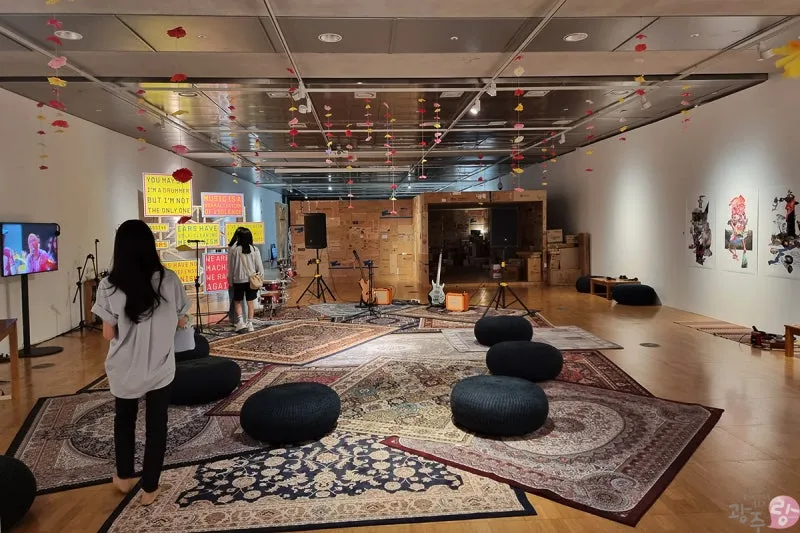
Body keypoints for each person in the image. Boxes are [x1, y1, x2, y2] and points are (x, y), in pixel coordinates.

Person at [92, 219, 190, 506]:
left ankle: (124, 477)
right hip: (160, 366)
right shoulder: (169, 280)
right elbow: (181, 321)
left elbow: (108, 333)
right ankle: (150, 488)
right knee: (156, 425)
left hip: (124, 367)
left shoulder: (108, 286)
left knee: (124, 420)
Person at [227, 227, 263, 333]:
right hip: (251, 280)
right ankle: (250, 324)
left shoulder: (234, 250)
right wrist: (260, 278)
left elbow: (231, 267)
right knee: (250, 302)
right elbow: (260, 267)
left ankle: (240, 322)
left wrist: (230, 280)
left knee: (237, 301)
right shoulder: (254, 249)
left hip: (238, 280)